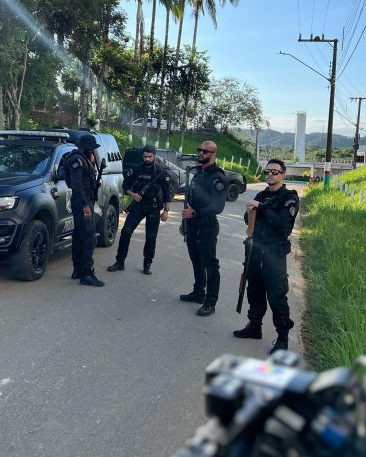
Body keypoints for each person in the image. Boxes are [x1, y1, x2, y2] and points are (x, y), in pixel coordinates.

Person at [233, 159, 299, 352]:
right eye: (267, 171)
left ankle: (282, 338)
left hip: (274, 253)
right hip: (255, 251)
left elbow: (282, 224)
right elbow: (249, 222)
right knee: (254, 291)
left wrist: (260, 207)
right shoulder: (262, 195)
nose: (270, 174)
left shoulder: (289, 198)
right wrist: (249, 211)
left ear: (283, 176)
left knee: (277, 296)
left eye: (275, 172)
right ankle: (254, 327)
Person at [107, 145, 172, 275]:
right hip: (138, 205)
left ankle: (147, 264)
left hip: (153, 207)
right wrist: (132, 194)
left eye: (150, 157)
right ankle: (120, 262)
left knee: (151, 237)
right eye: (145, 156)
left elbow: (167, 192)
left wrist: (166, 210)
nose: (147, 159)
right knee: (125, 232)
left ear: (154, 156)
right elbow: (125, 185)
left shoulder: (160, 171)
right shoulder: (136, 169)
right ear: (142, 156)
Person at [179, 141, 227, 316]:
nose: (200, 153)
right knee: (196, 260)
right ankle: (198, 292)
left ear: (213, 154)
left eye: (204, 151)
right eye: (199, 150)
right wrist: (184, 222)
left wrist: (195, 213)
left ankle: (210, 302)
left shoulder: (218, 177)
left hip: (207, 226)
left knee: (210, 265)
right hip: (192, 225)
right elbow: (190, 201)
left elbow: (218, 206)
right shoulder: (198, 174)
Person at [68, 134, 105, 287]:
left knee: (79, 235)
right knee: (90, 236)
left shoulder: (83, 159)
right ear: (87, 148)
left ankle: (77, 270)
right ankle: (86, 274)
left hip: (83, 201)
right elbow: (77, 185)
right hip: (82, 202)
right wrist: (85, 206)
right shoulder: (77, 160)